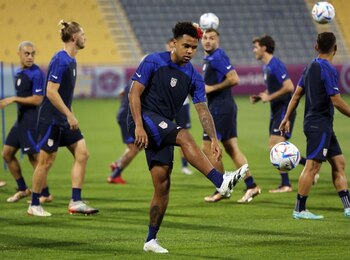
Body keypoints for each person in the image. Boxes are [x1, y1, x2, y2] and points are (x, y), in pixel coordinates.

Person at [128, 22, 248, 253]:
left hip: (162, 123)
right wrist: (139, 126)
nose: (190, 51)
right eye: (186, 46)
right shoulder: (153, 60)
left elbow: (202, 108)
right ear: (174, 43)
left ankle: (150, 240)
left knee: (163, 185)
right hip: (144, 117)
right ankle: (220, 181)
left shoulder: (194, 76)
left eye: (194, 47)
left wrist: (213, 138)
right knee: (183, 135)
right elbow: (134, 93)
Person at [27, 20, 98, 217]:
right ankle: (34, 205)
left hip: (64, 120)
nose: (85, 38)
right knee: (46, 162)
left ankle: (76, 201)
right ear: (74, 37)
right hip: (51, 120)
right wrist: (69, 114)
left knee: (82, 154)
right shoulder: (61, 60)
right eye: (83, 34)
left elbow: (64, 94)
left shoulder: (71, 60)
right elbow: (51, 91)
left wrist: (69, 113)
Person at [279, 32, 350, 219]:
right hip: (320, 125)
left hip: (320, 124)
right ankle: (299, 210)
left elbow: (296, 95)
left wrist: (286, 118)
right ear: (335, 49)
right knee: (312, 167)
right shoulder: (328, 69)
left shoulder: (310, 66)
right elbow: (336, 100)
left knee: (339, 163)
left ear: (316, 47)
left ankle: (348, 206)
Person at [201, 28, 261, 203]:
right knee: (232, 149)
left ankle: (222, 187)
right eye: (205, 38)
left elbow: (234, 79)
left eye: (212, 38)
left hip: (221, 109)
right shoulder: (209, 58)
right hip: (222, 108)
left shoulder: (218, 56)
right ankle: (251, 186)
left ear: (217, 41)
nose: (207, 41)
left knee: (208, 148)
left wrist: (211, 88)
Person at [251, 35, 308, 193]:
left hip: (283, 110)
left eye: (256, 47)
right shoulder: (266, 66)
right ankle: (308, 164)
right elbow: (274, 89)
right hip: (276, 110)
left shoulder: (275, 64)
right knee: (276, 147)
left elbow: (289, 86)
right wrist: (263, 95)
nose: (254, 50)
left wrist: (269, 97)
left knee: (276, 147)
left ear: (264, 48)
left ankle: (286, 184)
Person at [0, 41, 52, 203]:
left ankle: (45, 193)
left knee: (34, 159)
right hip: (20, 121)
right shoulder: (18, 73)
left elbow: (37, 100)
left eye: (33, 54)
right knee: (7, 154)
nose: (30, 57)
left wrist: (14, 99)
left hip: (32, 121)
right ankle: (23, 188)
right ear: (19, 54)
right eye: (27, 54)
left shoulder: (37, 74)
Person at [166, 38, 193, 175]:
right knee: (166, 135)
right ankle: (166, 163)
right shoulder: (162, 65)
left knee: (184, 134)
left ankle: (184, 166)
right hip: (166, 107)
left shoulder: (185, 66)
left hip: (182, 106)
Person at [107, 82, 141, 184]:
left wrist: (124, 105)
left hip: (125, 114)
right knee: (134, 149)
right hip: (128, 117)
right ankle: (115, 174)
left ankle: (117, 163)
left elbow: (121, 93)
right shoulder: (146, 80)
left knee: (141, 143)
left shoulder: (134, 78)